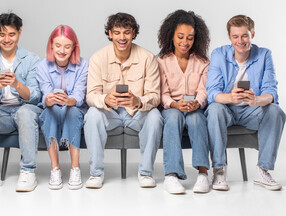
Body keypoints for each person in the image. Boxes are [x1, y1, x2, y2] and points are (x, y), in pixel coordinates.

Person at [206, 15, 286, 191]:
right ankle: (219, 170)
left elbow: (271, 92)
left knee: (275, 111)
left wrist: (256, 100)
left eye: (244, 36)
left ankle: (263, 170)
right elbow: (212, 93)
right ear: (229, 37)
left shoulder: (264, 55)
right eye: (235, 36)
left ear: (252, 34)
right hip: (226, 109)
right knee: (214, 109)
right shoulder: (219, 54)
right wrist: (230, 97)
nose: (240, 41)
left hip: (252, 110)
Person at [84, 12, 163, 188]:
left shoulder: (148, 58)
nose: (122, 37)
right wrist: (106, 99)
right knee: (92, 114)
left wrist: (138, 101)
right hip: (109, 114)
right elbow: (90, 95)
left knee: (155, 116)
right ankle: (96, 173)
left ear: (133, 33)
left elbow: (155, 96)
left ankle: (145, 173)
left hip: (136, 115)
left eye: (126, 32)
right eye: (117, 32)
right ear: (110, 34)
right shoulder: (98, 58)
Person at [0, 12, 42, 192]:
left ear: (19, 33)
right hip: (0, 113)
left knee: (25, 112)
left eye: (11, 34)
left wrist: (17, 84)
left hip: (24, 110)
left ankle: (28, 171)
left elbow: (36, 96)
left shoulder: (32, 60)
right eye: (2, 34)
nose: (7, 39)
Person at [157, 10, 211, 194]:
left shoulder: (203, 61)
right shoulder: (162, 61)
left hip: (194, 106)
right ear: (171, 36)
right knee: (172, 119)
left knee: (197, 119)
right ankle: (171, 175)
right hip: (172, 107)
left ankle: (203, 174)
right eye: (180, 37)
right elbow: (162, 93)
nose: (185, 42)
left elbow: (204, 90)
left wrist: (197, 102)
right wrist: (174, 104)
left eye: (190, 38)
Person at [36, 25, 88, 190]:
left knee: (72, 112)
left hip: (73, 108)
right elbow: (45, 93)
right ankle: (55, 168)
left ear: (74, 47)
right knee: (49, 111)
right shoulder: (42, 66)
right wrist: (49, 99)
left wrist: (70, 100)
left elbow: (80, 95)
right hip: (53, 109)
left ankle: (75, 168)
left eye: (67, 46)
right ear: (51, 45)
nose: (62, 50)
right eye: (58, 45)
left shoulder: (83, 65)